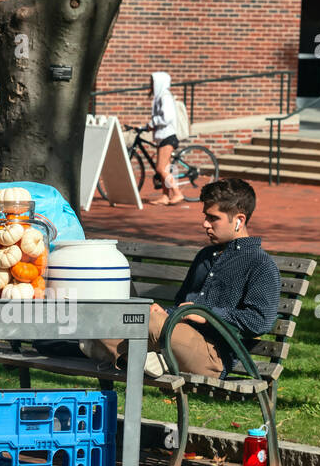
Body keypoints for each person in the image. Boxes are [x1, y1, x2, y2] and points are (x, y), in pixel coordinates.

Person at [81, 176, 280, 379]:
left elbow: (260, 321)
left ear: (239, 220)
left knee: (146, 322)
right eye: (205, 216)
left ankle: (121, 354)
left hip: (213, 356)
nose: (205, 224)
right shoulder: (205, 256)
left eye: (213, 218)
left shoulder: (260, 264)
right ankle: (148, 360)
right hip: (175, 335)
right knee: (105, 317)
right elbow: (182, 305)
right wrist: (165, 312)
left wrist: (207, 314)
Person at [146, 71, 184, 206]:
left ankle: (177, 193)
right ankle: (165, 196)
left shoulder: (165, 96)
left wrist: (152, 123)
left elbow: (167, 117)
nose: (150, 85)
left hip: (168, 136)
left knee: (160, 169)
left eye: (153, 82)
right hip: (163, 137)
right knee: (165, 169)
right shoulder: (160, 96)